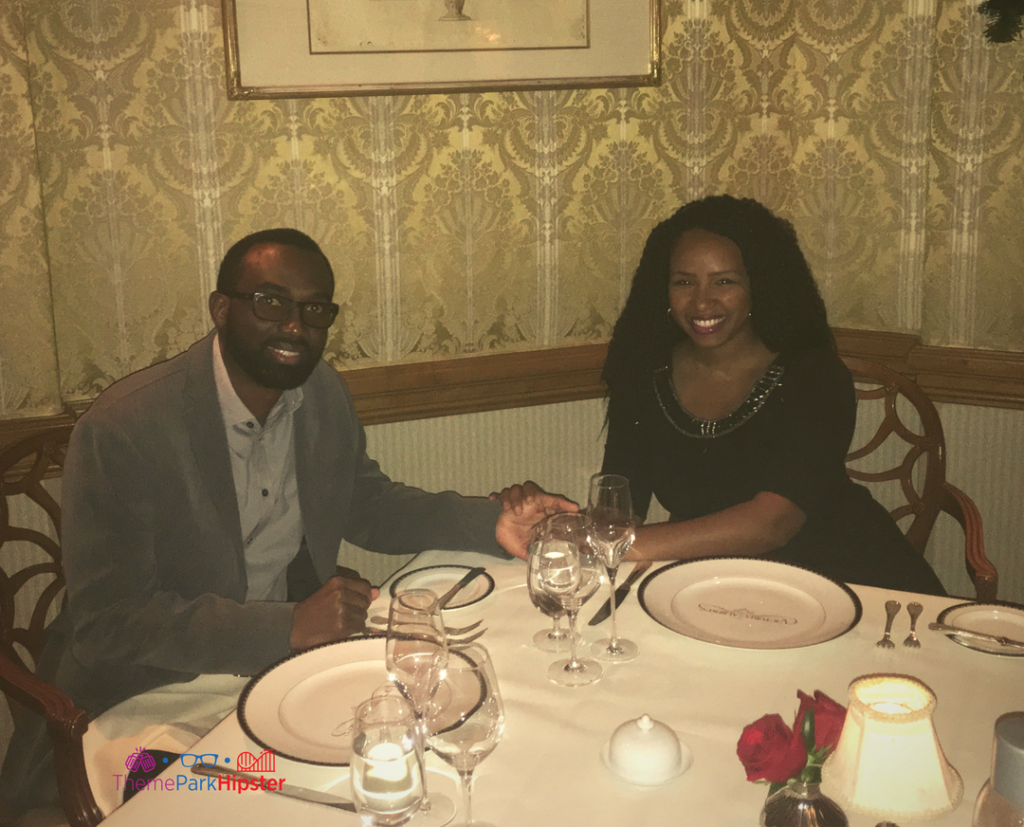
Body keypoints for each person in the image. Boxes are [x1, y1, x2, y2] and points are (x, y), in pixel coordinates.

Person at [1, 227, 571, 819]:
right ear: (222, 309)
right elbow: (108, 623)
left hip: (274, 679)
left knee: (420, 740)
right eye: (272, 303)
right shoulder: (125, 427)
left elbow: (368, 503)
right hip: (139, 710)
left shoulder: (319, 394)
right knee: (257, 800)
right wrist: (287, 626)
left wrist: (492, 524)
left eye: (314, 310)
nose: (296, 326)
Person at [598, 194, 945, 593]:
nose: (701, 301)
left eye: (725, 281)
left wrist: (618, 547)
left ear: (758, 284)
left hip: (851, 580)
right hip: (724, 587)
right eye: (683, 282)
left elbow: (772, 524)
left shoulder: (813, 376)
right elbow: (619, 505)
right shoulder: (644, 374)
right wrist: (553, 520)